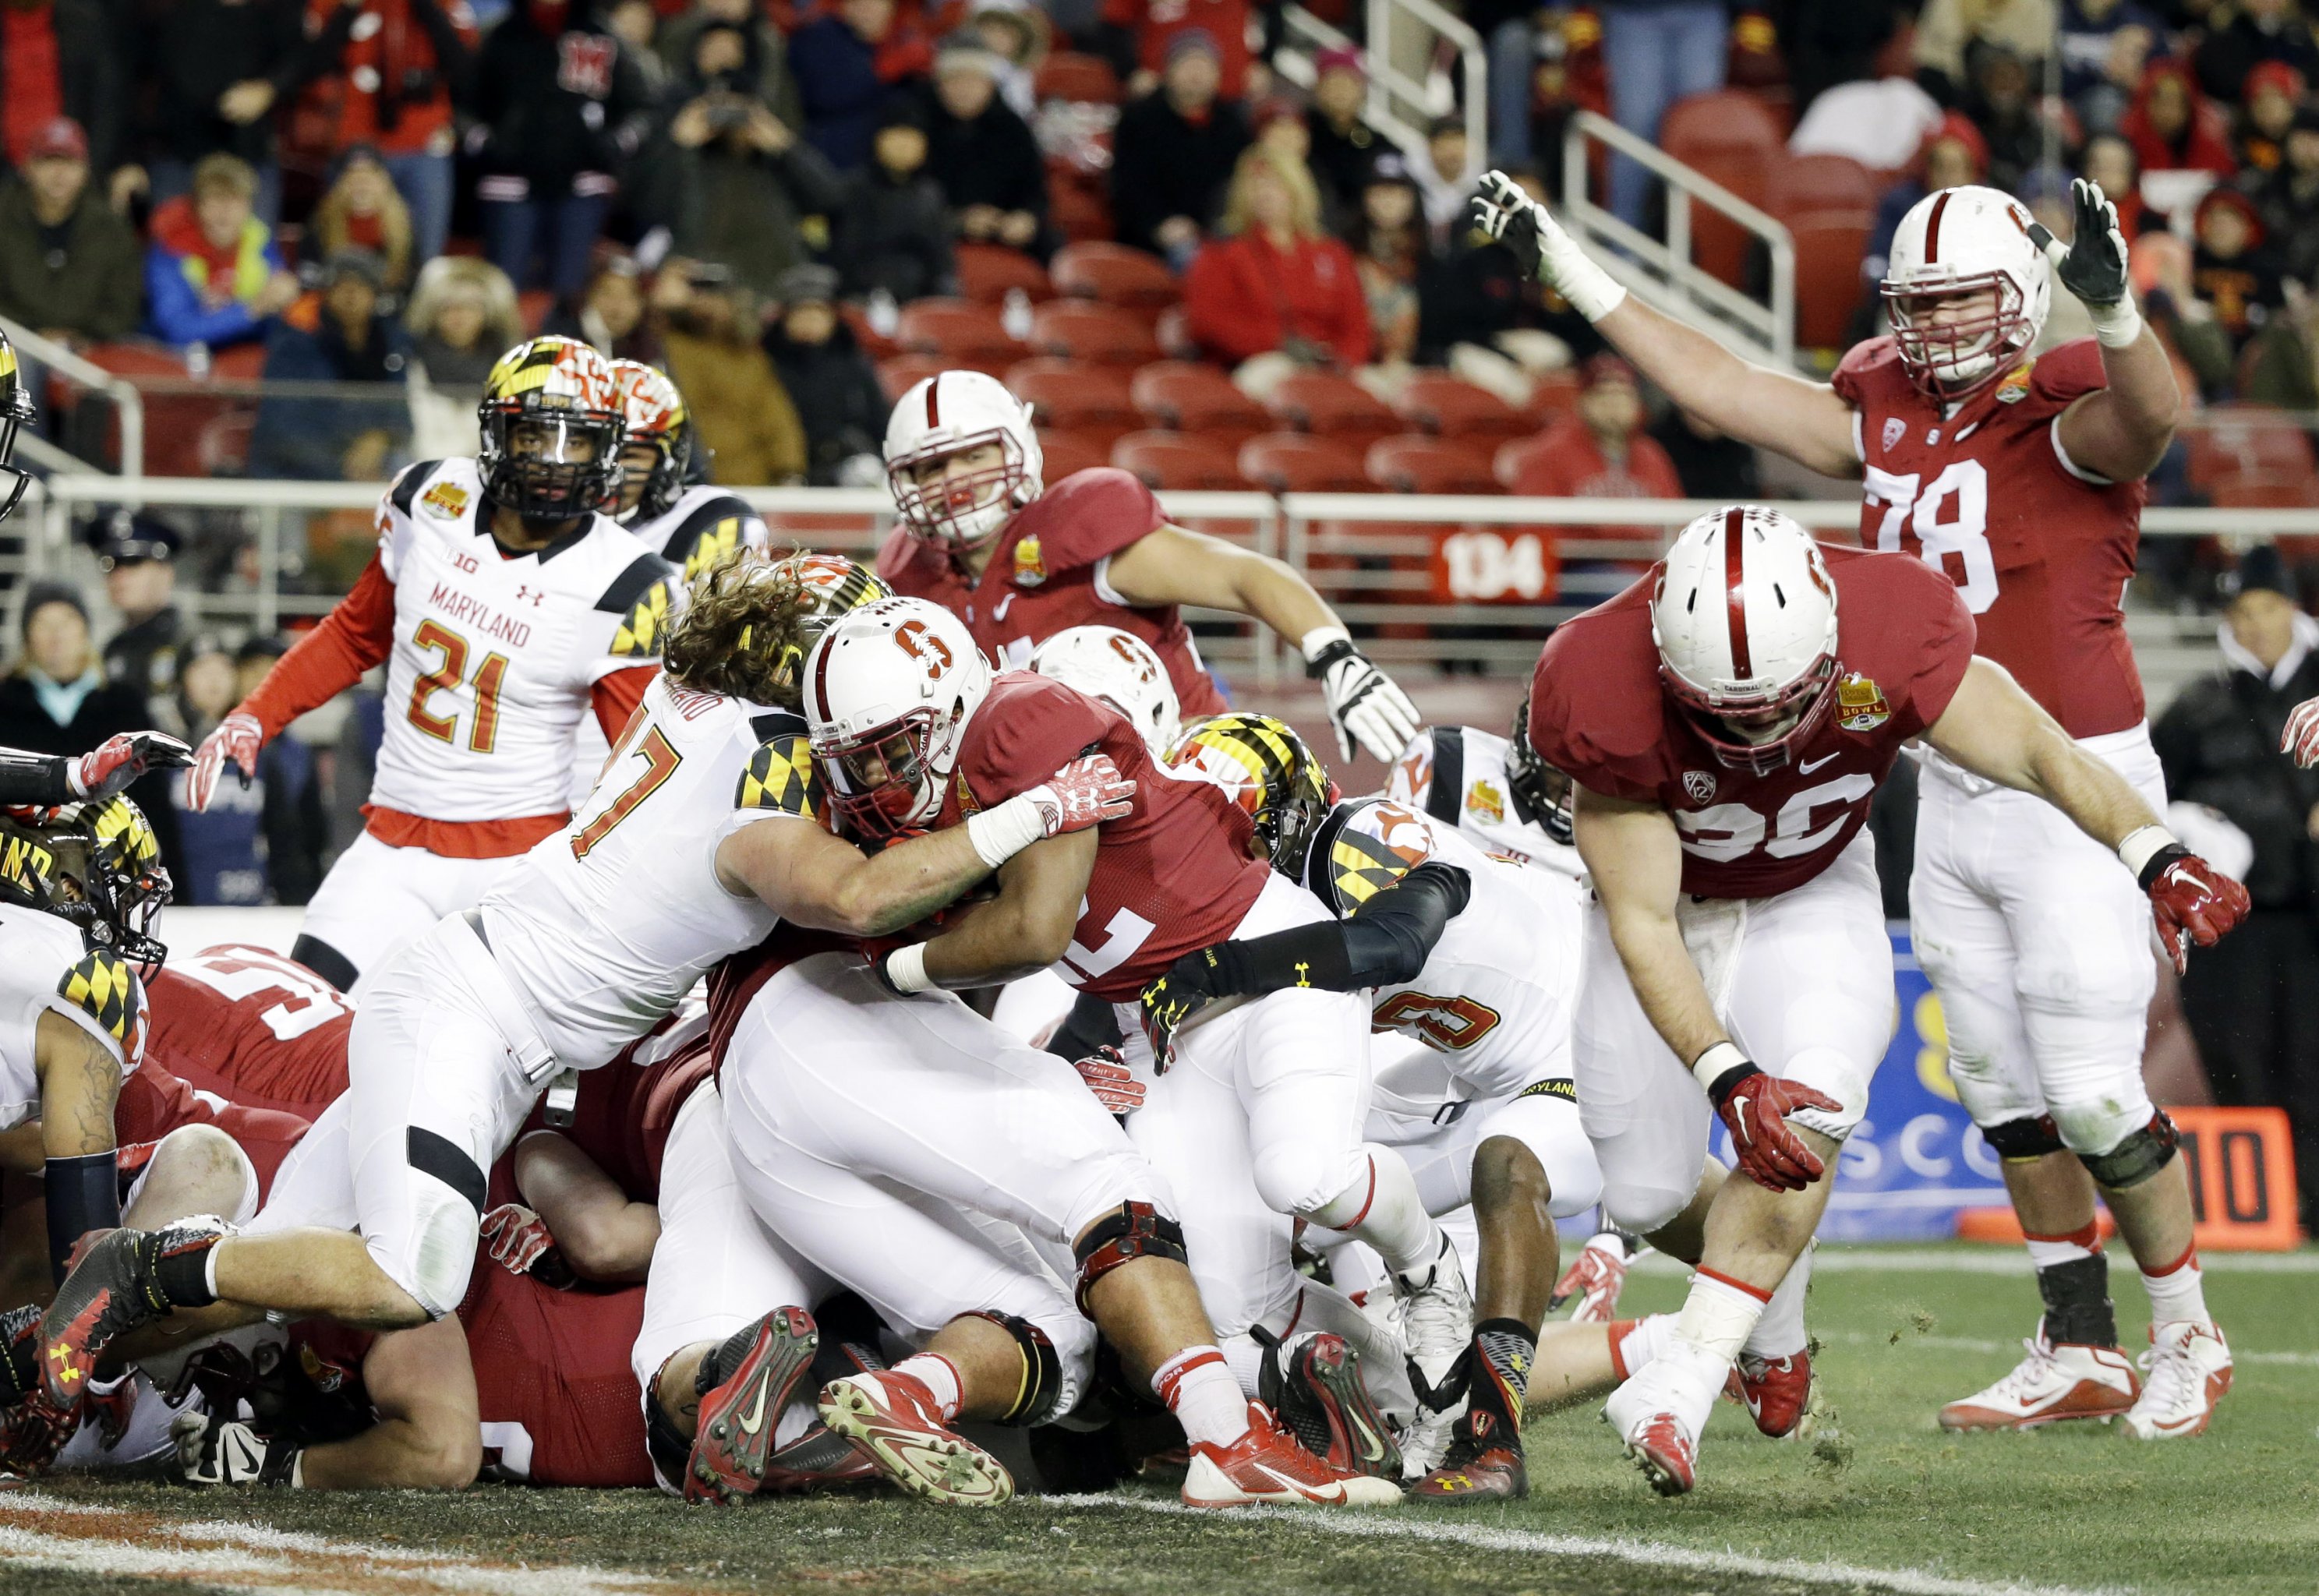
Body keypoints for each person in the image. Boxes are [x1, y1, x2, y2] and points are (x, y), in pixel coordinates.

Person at [34, 557, 1133, 1483]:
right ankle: (134, 1267)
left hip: (486, 1014)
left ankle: (35, 1361)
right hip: (468, 1016)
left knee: (267, 1265)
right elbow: (853, 897)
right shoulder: (765, 765)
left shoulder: (689, 697)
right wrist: (1036, 812)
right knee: (409, 1276)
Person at [1471, 170, 2250, 1443]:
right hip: (1941, 772)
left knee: (2097, 1086)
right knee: (1999, 1079)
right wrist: (1577, 272)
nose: (1937, 332)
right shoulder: (1885, 401)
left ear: (2025, 301)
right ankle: (2080, 1336)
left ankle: (2189, 1330)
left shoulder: (2058, 401)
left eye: (1963, 305)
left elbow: (2149, 420)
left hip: (2067, 766)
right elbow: (1719, 384)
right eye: (1919, 305)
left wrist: (2115, 317)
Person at [1525, 506, 2245, 1493]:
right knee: (1649, 1193)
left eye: (1781, 703)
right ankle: (1769, 1328)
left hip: (1808, 892)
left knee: (1815, 1101)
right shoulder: (1595, 674)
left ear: (1826, 635)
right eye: (1726, 712)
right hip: (1666, 911)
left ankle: (1682, 1380)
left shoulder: (1892, 620)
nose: (1762, 730)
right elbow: (1642, 920)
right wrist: (1722, 1071)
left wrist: (2149, 849)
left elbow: (2037, 748)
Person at [789, 596, 1424, 1506]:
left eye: (895, 748)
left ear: (950, 708)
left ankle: (1430, 1277)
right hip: (1169, 1026)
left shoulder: (1022, 720)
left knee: (1304, 1171)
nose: (878, 779)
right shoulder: (941, 776)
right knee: (1217, 1303)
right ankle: (1329, 1410)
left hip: (1267, 960)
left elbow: (1034, 931)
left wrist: (895, 968)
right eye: (859, 759)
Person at [1139, 712, 1600, 1499]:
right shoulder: (1267, 889)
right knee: (1262, 1188)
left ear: (1286, 820)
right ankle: (1385, 1386)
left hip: (1583, 1043)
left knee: (1476, 1169)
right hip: (1467, 1067)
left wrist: (1219, 967)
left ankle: (1487, 1422)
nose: (1214, 861)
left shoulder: (1358, 838)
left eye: (1234, 838)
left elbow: (1395, 943)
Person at [179, 336, 663, 995]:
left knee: (491, 1065)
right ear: (496, 433)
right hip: (392, 847)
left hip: (516, 865)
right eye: (533, 437)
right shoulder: (430, 497)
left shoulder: (626, 580)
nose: (553, 462)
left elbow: (641, 761)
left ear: (604, 451)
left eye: (575, 442)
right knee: (302, 1021)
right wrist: (255, 715)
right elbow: (355, 635)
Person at [875, 369, 1423, 764]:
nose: (954, 483)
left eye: (973, 456)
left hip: (1193, 772)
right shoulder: (908, 575)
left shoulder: (1075, 532)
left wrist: (1332, 653)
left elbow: (1242, 574)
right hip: (1048, 808)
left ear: (1017, 449)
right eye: (931, 468)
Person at [2158, 549, 2319, 1231]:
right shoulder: (2199, 706)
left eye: (2263, 609)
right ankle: (2262, 1205)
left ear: (2290, 609)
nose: (2253, 626)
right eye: (2241, 613)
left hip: (2310, 919)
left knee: (2311, 1063)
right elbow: (2150, 794)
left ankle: (2311, 1204)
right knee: (2236, 1055)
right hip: (2231, 926)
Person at [644, 16, 841, 300]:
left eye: (740, 109)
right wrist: (678, 146)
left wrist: (786, 149)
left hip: (774, 285)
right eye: (720, 108)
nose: (730, 119)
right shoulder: (689, 158)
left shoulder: (772, 160)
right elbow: (649, 207)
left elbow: (830, 199)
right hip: (706, 285)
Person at [471, 0, 654, 298]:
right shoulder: (499, 33)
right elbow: (464, 100)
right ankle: (506, 348)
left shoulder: (602, 35)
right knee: (503, 291)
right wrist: (488, 143)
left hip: (583, 183)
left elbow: (642, 106)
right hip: (510, 182)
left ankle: (563, 347)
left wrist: (616, 143)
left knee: (568, 294)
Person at [0, 585, 188, 872]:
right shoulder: (5, 701)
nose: (56, 634)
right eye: (43, 623)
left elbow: (155, 804)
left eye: (66, 622)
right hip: (21, 872)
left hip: (117, 872)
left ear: (85, 629)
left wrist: (175, 886)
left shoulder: (124, 703)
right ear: (27, 634)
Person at [284, 0, 479, 263]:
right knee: (343, 260)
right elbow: (309, 66)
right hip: (355, 144)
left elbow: (466, 68)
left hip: (425, 143)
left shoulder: (445, 2)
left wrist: (427, 8)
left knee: (425, 259)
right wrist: (348, 9)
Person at [1183, 146, 1372, 376]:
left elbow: (1356, 325)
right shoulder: (1222, 250)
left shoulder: (1331, 252)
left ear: (1296, 190)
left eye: (1275, 184)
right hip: (1255, 364)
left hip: (1331, 364)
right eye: (1256, 185)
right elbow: (1206, 321)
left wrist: (1345, 361)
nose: (1265, 193)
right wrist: (1275, 343)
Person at [246, 248, 413, 483]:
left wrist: (381, 436)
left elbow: (402, 409)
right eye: (342, 286)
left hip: (370, 463)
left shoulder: (392, 342)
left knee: (406, 468)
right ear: (326, 293)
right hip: (296, 471)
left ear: (375, 295)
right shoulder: (294, 342)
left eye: (361, 286)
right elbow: (283, 425)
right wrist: (344, 462)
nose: (351, 295)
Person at [129, 0, 306, 217]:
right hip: (179, 157)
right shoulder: (170, 12)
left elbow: (301, 59)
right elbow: (140, 79)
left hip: (249, 157)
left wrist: (270, 87)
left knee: (255, 246)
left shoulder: (272, 13)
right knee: (174, 246)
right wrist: (131, 157)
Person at [604, 358, 770, 577]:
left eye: (630, 455)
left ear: (667, 460)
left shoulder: (709, 518)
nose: (610, 470)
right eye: (598, 451)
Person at [652, 263, 809, 487]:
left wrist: (790, 470)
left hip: (750, 481)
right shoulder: (665, 348)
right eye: (700, 295)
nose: (708, 305)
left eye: (717, 297)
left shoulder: (750, 358)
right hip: (688, 479)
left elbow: (776, 419)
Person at [1110, 30, 1249, 266]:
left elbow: (1238, 184)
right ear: (1168, 71)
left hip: (1218, 230)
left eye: (1205, 66)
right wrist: (1158, 224)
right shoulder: (1139, 118)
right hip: (1153, 235)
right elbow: (1127, 184)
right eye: (1187, 64)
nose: (1196, 74)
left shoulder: (1233, 125)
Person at [0, 118, 140, 350]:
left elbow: (124, 304)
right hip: (14, 343)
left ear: (86, 169)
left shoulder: (111, 228)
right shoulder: (4, 217)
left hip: (92, 346)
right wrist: (33, 336)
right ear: (28, 167)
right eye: (48, 161)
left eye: (69, 162)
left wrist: (81, 337)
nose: (59, 173)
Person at [141, 152, 300, 351]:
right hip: (180, 360)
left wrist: (285, 296)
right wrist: (252, 309)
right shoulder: (170, 248)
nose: (225, 213)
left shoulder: (259, 240)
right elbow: (178, 330)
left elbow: (276, 308)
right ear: (196, 206)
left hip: (246, 349)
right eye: (215, 200)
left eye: (235, 201)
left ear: (249, 207)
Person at [1597, 0, 1727, 228]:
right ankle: (1623, 239)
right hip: (1634, 13)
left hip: (1702, 12)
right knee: (1637, 129)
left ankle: (1697, 244)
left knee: (1699, 134)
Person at [762, 263, 887, 486]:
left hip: (849, 469)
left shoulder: (854, 364)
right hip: (787, 475)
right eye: (801, 312)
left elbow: (880, 421)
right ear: (784, 318)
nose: (810, 320)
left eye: (818, 312)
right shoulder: (764, 364)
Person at [924, 43, 1052, 262]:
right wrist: (958, 221)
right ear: (939, 85)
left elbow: (1034, 190)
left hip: (1004, 232)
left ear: (991, 86)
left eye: (975, 80)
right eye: (955, 79)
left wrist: (1026, 218)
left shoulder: (1013, 128)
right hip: (938, 235)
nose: (965, 89)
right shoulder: (921, 128)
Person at [830, 104, 957, 303]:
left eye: (912, 138)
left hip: (920, 300)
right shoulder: (855, 188)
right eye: (896, 136)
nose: (904, 145)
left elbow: (942, 258)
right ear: (878, 141)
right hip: (863, 296)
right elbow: (848, 253)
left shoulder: (931, 194)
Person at [788, 0, 933, 173]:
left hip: (879, 172)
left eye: (876, 5)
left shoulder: (896, 42)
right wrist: (883, 71)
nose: (868, 11)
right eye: (860, 4)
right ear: (845, 6)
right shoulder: (818, 35)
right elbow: (825, 97)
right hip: (829, 161)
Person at [403, 255, 525, 461]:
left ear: (486, 315)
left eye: (469, 308)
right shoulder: (413, 361)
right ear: (434, 315)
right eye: (448, 308)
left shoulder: (508, 368)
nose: (459, 317)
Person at [97, 514, 189, 733]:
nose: (119, 576)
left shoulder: (189, 643)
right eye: (111, 565)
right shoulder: (112, 648)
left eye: (133, 563)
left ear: (166, 573)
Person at [309, 145, 414, 292]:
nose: (362, 185)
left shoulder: (406, 224)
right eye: (352, 176)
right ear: (339, 185)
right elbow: (310, 274)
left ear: (384, 182)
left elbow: (411, 282)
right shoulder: (322, 222)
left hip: (388, 302)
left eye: (370, 176)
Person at [1304, 45, 1381, 226]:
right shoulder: (1302, 132)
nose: (1341, 91)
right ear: (1318, 87)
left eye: (1349, 82)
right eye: (1333, 82)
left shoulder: (1376, 142)